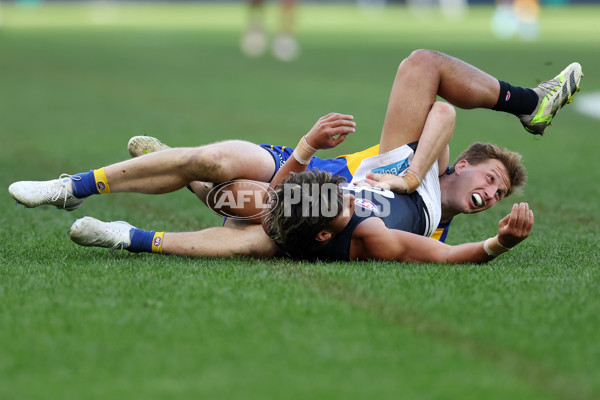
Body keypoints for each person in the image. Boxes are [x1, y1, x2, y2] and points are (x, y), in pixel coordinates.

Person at [8, 50, 582, 263]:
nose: (493, 193)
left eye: (501, 194)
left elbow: (448, 253)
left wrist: (500, 239)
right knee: (212, 163)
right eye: (493, 178)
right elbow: (443, 110)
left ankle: (133, 232)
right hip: (306, 171)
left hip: (310, 201)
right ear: (460, 165)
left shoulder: (431, 229)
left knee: (257, 225)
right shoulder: (426, 160)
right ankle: (73, 187)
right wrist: (408, 172)